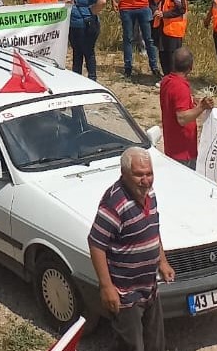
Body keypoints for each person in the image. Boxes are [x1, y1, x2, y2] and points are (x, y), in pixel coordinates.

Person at [89, 147, 174, 351]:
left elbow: (153, 230)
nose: (145, 180)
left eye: (149, 173)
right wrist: (106, 287)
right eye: (139, 174)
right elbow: (96, 243)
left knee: (156, 344)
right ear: (124, 173)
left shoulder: (149, 194)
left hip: (149, 287)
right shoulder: (114, 203)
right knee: (131, 346)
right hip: (125, 293)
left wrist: (162, 261)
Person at [160, 47, 214, 169]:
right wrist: (202, 107)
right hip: (183, 153)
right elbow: (182, 118)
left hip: (172, 146)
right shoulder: (180, 86)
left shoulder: (167, 81)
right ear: (191, 66)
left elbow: (173, 105)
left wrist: (190, 101)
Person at [65, 0, 106, 80]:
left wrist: (91, 11)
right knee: (76, 52)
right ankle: (77, 77)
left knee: (88, 51)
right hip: (73, 25)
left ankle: (92, 77)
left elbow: (102, 1)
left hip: (86, 25)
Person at [151, 0, 187, 77]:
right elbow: (151, 2)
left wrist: (164, 14)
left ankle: (174, 78)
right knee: (162, 53)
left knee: (173, 55)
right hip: (160, 26)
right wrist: (155, 10)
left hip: (174, 28)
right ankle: (166, 77)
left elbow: (181, 9)